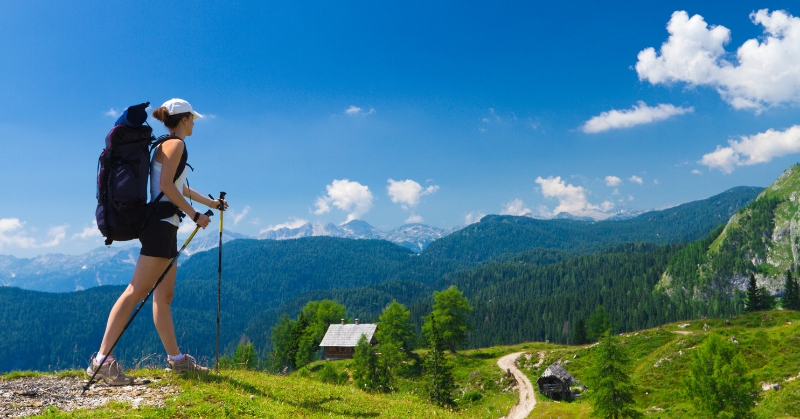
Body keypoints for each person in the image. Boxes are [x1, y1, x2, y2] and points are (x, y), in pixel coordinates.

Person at [86, 98, 228, 385]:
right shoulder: (175, 145)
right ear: (184, 119)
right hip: (161, 226)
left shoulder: (165, 144)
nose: (194, 122)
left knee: (164, 297)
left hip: (164, 225)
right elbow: (166, 187)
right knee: (135, 292)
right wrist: (195, 215)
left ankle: (176, 360)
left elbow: (178, 186)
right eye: (192, 118)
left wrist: (210, 203)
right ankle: (101, 361)